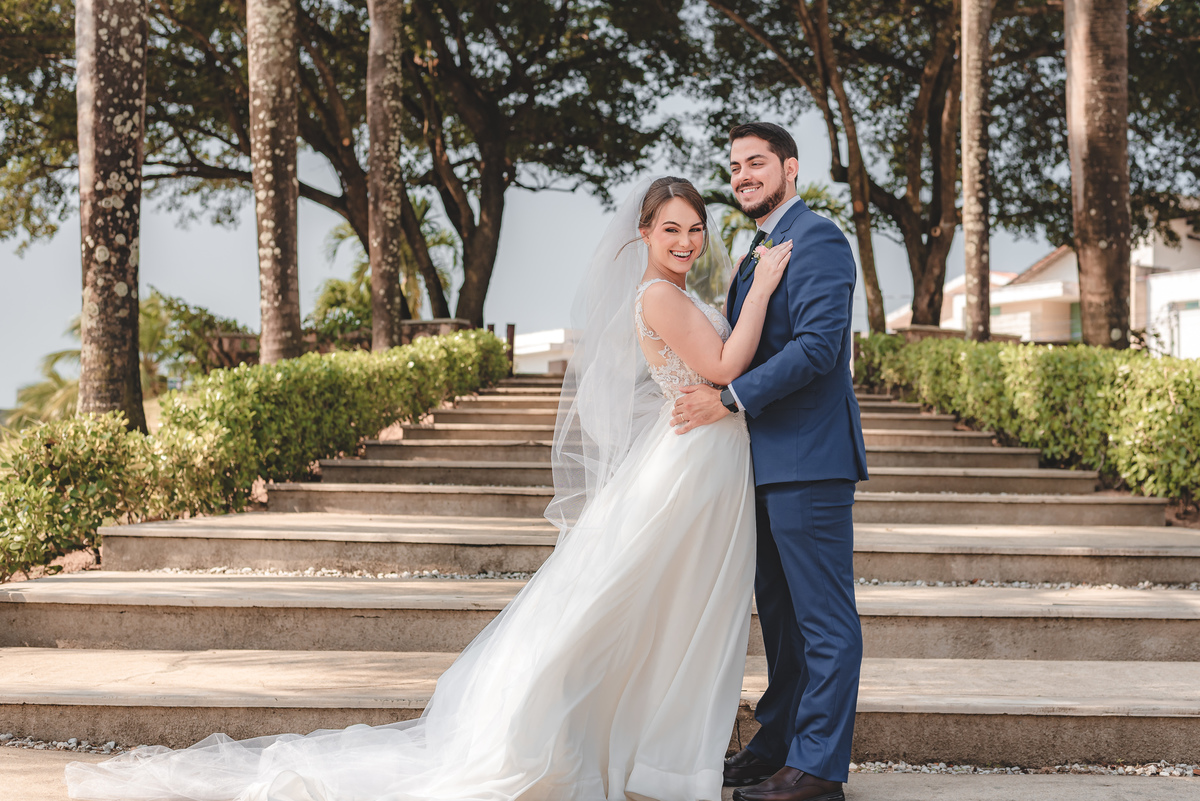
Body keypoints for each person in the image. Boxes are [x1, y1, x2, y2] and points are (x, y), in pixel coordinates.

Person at [64, 175, 792, 801]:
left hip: (703, 459)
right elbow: (725, 365)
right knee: (662, 608)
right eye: (672, 228)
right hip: (690, 465)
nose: (687, 240)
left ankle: (659, 754)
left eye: (696, 228)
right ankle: (639, 753)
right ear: (643, 233)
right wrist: (760, 288)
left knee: (679, 611)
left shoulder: (677, 293)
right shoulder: (660, 298)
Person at [671, 122, 870, 801]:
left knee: (823, 620)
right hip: (761, 462)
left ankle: (817, 768)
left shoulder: (818, 239)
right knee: (782, 621)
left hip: (809, 458)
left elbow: (818, 348)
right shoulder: (761, 245)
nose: (743, 175)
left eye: (757, 163)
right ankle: (778, 743)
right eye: (734, 166)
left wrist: (728, 397)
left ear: (791, 168)